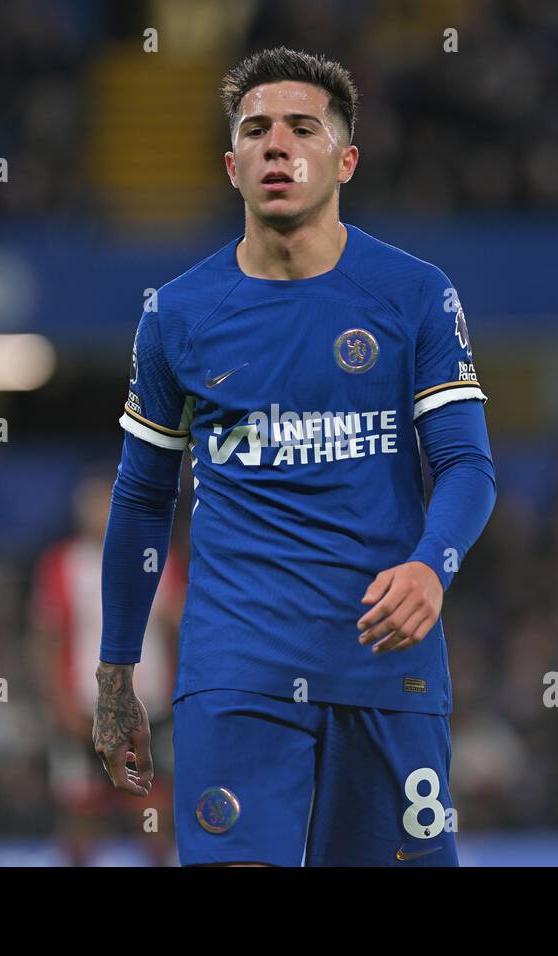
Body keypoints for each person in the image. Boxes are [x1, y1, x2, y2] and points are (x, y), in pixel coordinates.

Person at [92, 47, 496, 866]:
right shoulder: (177, 315)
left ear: (344, 159)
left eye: (302, 128)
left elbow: (467, 466)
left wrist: (430, 567)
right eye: (256, 130)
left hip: (384, 664)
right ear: (231, 164)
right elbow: (142, 500)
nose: (277, 145)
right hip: (237, 670)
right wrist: (115, 674)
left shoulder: (414, 293)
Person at [29, 473, 182, 865]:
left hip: (150, 709)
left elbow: (182, 627)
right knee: (80, 811)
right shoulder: (62, 564)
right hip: (84, 709)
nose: (104, 513)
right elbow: (46, 637)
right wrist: (58, 702)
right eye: (97, 504)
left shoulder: (155, 557)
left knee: (154, 810)